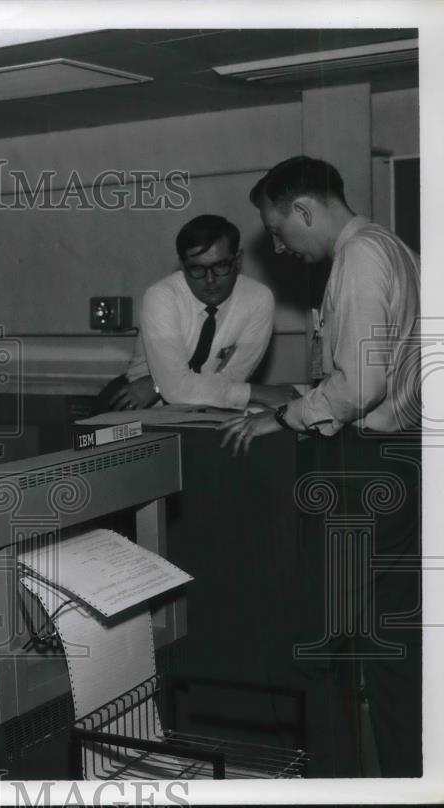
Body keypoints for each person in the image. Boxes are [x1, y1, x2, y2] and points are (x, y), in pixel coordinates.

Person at [220, 156, 421, 777]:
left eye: (279, 229)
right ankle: (402, 776)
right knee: (394, 650)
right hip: (402, 462)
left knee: (313, 644)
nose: (278, 246)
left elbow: (361, 383)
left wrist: (282, 418)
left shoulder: (358, 259)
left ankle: (328, 780)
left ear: (305, 209)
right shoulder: (394, 248)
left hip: (361, 469)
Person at [99, 214, 282, 412]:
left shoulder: (258, 299)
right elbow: (179, 389)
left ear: (238, 260)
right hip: (137, 403)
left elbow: (231, 380)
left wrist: (158, 385)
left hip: (204, 407)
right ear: (182, 265)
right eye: (197, 268)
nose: (210, 280)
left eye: (221, 266)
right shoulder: (162, 295)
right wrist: (256, 392)